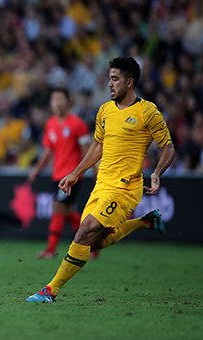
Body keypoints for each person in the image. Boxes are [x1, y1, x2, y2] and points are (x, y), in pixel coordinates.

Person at [26, 57, 175, 302]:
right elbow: (97, 147)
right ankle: (144, 222)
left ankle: (50, 290)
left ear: (129, 82)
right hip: (102, 185)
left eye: (115, 79)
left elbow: (168, 148)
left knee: (83, 232)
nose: (110, 84)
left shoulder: (148, 111)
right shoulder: (105, 110)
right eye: (109, 79)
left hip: (125, 187)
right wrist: (75, 174)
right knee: (92, 243)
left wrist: (157, 173)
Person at [28, 87, 95, 259]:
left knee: (58, 208)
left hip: (71, 176)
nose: (56, 103)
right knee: (65, 212)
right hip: (56, 175)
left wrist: (95, 171)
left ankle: (51, 250)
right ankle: (94, 240)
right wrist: (36, 170)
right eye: (53, 100)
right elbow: (47, 151)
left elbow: (87, 150)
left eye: (60, 99)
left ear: (68, 101)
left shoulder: (77, 124)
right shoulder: (50, 123)